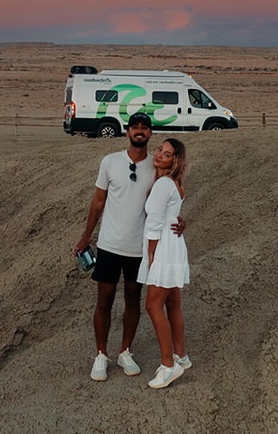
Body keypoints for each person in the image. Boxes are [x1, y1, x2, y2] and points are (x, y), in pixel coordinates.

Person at [75, 113, 184, 381]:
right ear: (127, 131)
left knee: (133, 300)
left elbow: (169, 203)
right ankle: (101, 354)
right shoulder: (110, 162)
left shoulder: (156, 167)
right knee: (104, 300)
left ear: (150, 134)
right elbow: (98, 203)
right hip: (110, 245)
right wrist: (85, 236)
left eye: (144, 128)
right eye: (135, 127)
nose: (139, 131)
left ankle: (126, 351)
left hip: (138, 250)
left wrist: (182, 223)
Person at [137, 138, 191, 389]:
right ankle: (181, 355)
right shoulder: (176, 184)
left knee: (153, 305)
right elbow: (172, 215)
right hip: (175, 245)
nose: (159, 155)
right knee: (173, 302)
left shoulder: (163, 186)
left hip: (163, 248)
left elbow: (154, 223)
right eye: (160, 149)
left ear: (174, 161)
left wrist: (150, 256)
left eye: (167, 154)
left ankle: (168, 365)